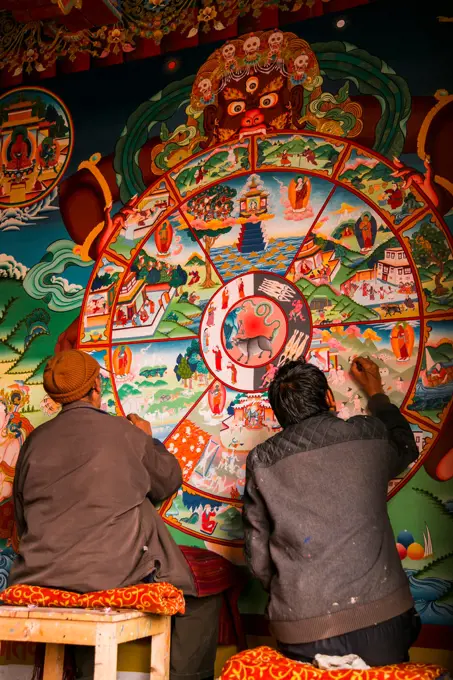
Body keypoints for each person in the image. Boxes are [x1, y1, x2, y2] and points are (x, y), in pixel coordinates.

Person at [10, 350, 221, 680]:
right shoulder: (125, 433)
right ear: (96, 386)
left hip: (39, 574)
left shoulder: (34, 441)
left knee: (83, 582)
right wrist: (147, 437)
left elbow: (22, 517)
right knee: (199, 601)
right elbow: (167, 481)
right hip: (108, 578)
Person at [243, 357, 420, 667]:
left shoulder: (261, 460)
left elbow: (258, 556)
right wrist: (376, 392)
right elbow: (405, 445)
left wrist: (291, 593)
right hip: (385, 623)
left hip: (301, 631)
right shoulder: (370, 435)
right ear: (328, 398)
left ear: (281, 416)